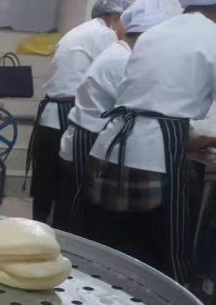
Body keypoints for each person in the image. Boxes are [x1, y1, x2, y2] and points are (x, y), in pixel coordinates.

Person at [84, 0, 216, 284]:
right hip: (152, 162)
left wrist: (188, 139)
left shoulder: (154, 35)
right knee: (160, 263)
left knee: (107, 253)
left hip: (109, 149)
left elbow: (148, 100)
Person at [54, 0, 181, 234]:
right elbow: (146, 107)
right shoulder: (123, 60)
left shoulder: (121, 53)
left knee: (78, 217)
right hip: (88, 139)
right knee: (77, 222)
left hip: (87, 137)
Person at [26, 0, 133, 222]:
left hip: (51, 116)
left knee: (46, 182)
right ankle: (56, 232)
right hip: (65, 115)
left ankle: (39, 229)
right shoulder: (105, 36)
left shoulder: (82, 31)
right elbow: (118, 75)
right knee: (65, 187)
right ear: (115, 19)